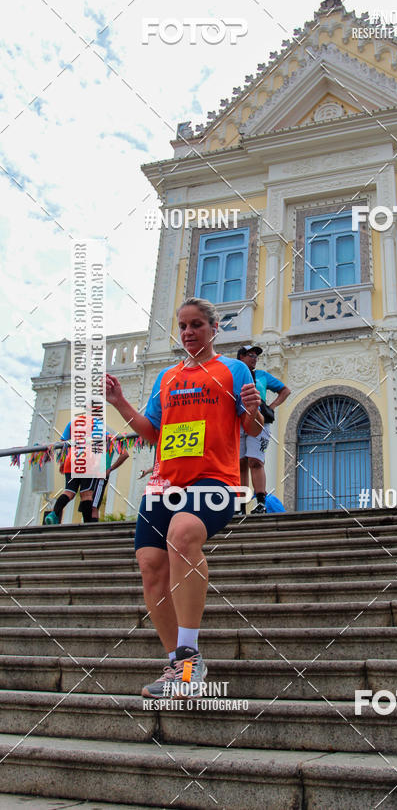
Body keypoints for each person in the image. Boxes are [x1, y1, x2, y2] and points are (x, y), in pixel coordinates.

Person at [106, 297, 262, 697]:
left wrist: (253, 409)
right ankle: (179, 663)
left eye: (197, 325)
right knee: (149, 565)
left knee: (184, 532)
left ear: (213, 329)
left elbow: (251, 427)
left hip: (215, 481)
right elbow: (152, 432)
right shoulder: (167, 377)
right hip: (164, 484)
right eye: (183, 326)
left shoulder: (232, 368)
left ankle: (189, 660)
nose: (189, 332)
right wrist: (120, 402)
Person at [43, 417, 129, 525]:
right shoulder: (98, 426)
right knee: (87, 495)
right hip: (89, 463)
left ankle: (54, 513)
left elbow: (62, 445)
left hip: (72, 462)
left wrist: (62, 462)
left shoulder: (72, 423)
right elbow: (120, 449)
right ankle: (88, 526)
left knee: (69, 492)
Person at [236, 344, 290, 514]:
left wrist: (271, 407)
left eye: (255, 355)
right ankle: (240, 506)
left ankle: (261, 502)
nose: (254, 358)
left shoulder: (261, 376)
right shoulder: (233, 375)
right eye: (249, 354)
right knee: (240, 464)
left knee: (255, 461)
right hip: (238, 422)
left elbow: (284, 390)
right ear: (240, 358)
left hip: (259, 422)